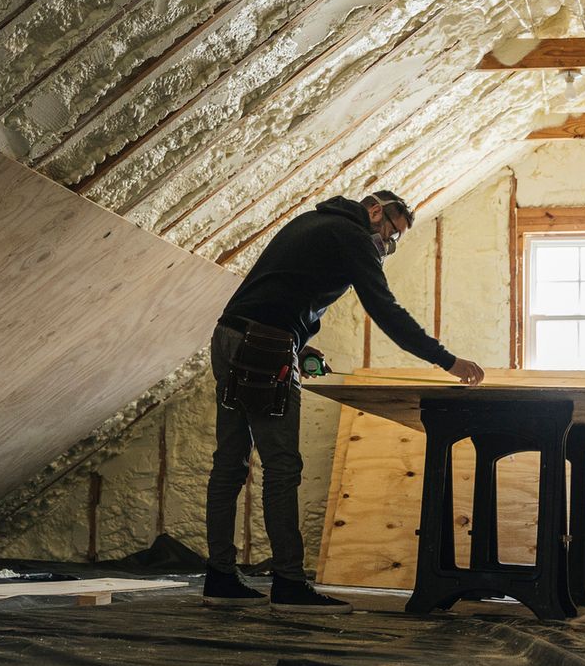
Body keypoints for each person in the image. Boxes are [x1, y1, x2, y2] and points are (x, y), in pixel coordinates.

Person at [203, 191, 485, 612]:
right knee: (282, 467)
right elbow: (385, 310)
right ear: (375, 212)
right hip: (263, 348)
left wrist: (298, 346)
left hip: (232, 336)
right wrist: (447, 361)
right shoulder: (352, 235)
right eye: (391, 234)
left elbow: (278, 291)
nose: (387, 245)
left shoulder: (312, 223)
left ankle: (220, 578)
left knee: (230, 463)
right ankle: (288, 585)